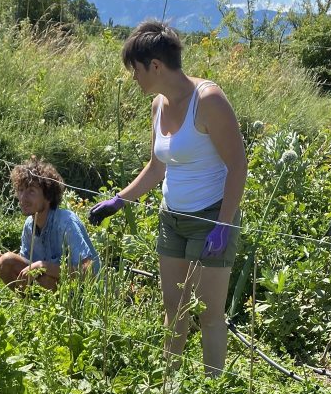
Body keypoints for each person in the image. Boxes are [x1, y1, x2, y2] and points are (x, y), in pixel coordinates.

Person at [89, 20, 247, 375]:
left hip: (210, 220)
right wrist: (120, 200)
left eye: (136, 70)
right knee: (174, 307)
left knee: (209, 313)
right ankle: (169, 386)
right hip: (171, 218)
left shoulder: (208, 101)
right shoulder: (158, 105)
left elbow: (238, 166)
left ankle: (212, 391)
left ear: (156, 66)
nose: (134, 78)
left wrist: (222, 226)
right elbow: (157, 167)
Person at [0, 157, 99, 290]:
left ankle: (57, 309)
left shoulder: (66, 222)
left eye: (31, 191)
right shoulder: (30, 225)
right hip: (52, 291)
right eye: (21, 190)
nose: (23, 198)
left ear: (48, 196)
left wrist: (45, 266)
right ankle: (33, 308)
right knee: (7, 262)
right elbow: (24, 270)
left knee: (43, 277)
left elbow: (89, 272)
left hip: (82, 294)